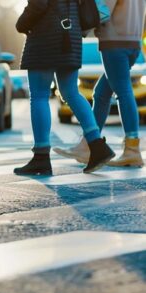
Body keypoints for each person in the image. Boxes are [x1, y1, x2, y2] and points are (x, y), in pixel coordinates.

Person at [14, 0, 115, 175]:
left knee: (38, 95)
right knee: (71, 92)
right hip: (71, 35)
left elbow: (39, 5)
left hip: (47, 37)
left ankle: (41, 156)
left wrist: (21, 23)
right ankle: (97, 145)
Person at [54, 0, 145, 168]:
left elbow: (101, 12)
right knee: (101, 93)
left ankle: (132, 150)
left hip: (114, 41)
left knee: (123, 92)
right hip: (134, 42)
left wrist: (77, 30)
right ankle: (88, 145)